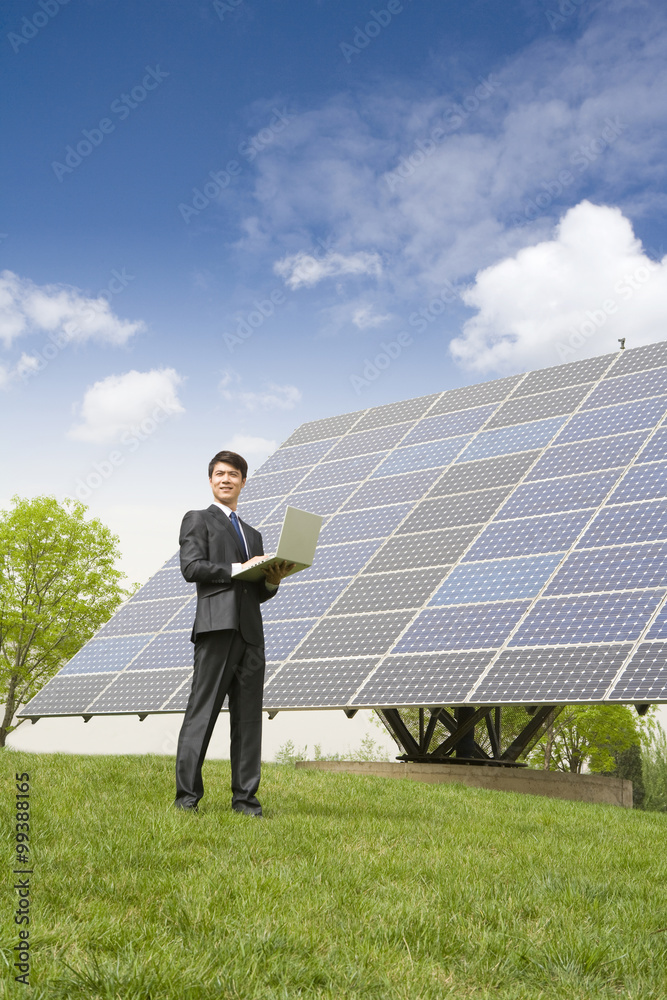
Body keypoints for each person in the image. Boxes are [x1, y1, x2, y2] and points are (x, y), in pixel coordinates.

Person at [174, 450, 294, 816]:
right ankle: (187, 799)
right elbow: (192, 567)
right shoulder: (197, 520)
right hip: (215, 628)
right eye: (219, 474)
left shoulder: (254, 535)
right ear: (211, 481)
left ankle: (245, 801)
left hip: (251, 635)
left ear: (244, 481)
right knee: (202, 712)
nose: (226, 479)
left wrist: (272, 581)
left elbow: (256, 592)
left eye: (233, 474)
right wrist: (240, 566)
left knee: (248, 719)